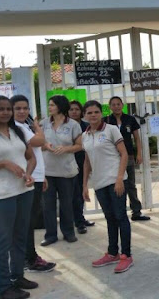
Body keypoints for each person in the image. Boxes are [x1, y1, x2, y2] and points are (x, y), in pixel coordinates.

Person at [0, 95, 38, 299]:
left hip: (24, 191)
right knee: (2, 243)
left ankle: (17, 277)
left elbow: (31, 158)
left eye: (8, 109)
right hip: (2, 195)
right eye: (0, 109)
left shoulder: (18, 131)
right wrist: (3, 164)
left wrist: (29, 173)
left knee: (20, 237)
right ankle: (4, 288)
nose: (5, 112)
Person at [82, 100, 134, 274]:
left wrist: (120, 179)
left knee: (120, 216)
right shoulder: (85, 135)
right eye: (89, 113)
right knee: (110, 218)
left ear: (101, 113)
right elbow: (87, 161)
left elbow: (124, 153)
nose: (93, 115)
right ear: (85, 116)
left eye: (96, 112)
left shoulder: (111, 130)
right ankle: (113, 253)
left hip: (115, 181)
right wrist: (84, 186)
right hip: (99, 183)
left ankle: (126, 255)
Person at [11, 95, 57, 273]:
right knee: (27, 221)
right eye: (18, 108)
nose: (22, 111)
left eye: (25, 108)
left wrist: (42, 176)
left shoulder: (22, 126)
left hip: (35, 176)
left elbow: (36, 150)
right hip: (28, 178)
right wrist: (38, 127)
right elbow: (39, 141)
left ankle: (28, 257)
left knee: (29, 220)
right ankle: (30, 259)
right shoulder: (17, 127)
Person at [41, 95, 82, 246]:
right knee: (48, 205)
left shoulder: (72, 124)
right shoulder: (43, 123)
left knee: (66, 204)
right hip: (47, 171)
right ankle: (50, 235)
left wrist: (66, 149)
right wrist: (45, 146)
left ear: (60, 106)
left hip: (66, 171)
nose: (50, 107)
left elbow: (79, 145)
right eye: (49, 105)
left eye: (52, 105)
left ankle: (69, 232)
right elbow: (37, 144)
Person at [104, 96, 150, 221]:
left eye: (118, 104)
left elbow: (137, 138)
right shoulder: (106, 120)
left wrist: (139, 154)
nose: (116, 106)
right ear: (110, 106)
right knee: (116, 184)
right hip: (112, 158)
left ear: (122, 105)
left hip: (128, 156)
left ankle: (136, 211)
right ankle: (119, 212)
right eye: (113, 104)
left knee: (130, 184)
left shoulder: (130, 119)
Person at [69, 100, 94, 234]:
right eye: (71, 109)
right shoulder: (65, 127)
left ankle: (80, 218)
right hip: (69, 163)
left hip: (84, 161)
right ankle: (78, 222)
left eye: (77, 109)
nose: (74, 112)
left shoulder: (86, 126)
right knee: (74, 194)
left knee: (81, 191)